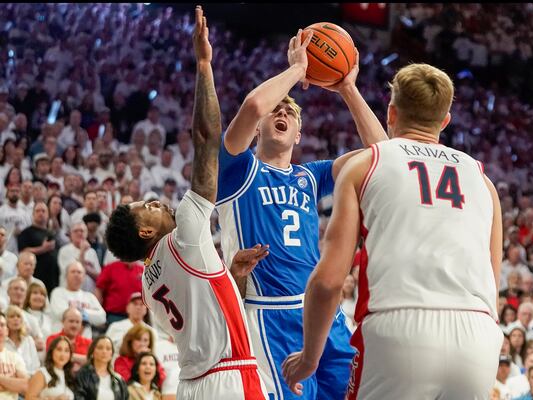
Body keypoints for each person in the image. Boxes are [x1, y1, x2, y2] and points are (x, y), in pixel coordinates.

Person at [281, 63, 503, 399]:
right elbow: (493, 279)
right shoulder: (484, 182)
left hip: (400, 329)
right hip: (478, 336)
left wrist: (310, 358)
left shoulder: (364, 166)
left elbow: (328, 280)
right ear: (444, 121)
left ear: (391, 112)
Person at [104, 6, 267, 399]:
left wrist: (233, 276)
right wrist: (204, 63)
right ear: (145, 231)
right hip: (231, 378)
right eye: (147, 206)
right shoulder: (186, 237)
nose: (156, 202)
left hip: (192, 386)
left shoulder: (148, 282)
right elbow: (207, 136)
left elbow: (203, 317)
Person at [217, 24, 386, 400]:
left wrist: (347, 88)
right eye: (275, 111)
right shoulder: (238, 170)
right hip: (269, 314)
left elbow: (385, 157)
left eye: (289, 114)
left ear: (298, 135)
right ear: (258, 129)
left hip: (323, 314)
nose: (280, 112)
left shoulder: (312, 176)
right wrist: (298, 70)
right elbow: (253, 106)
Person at [74, 335, 128, 400]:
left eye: (108, 349)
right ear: (92, 352)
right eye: (100, 348)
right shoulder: (83, 375)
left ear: (111, 354)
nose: (104, 351)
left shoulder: (119, 380)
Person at [114, 323, 165, 390]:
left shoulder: (151, 359)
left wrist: (147, 357)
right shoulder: (121, 361)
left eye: (146, 340)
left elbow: (160, 378)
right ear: (130, 341)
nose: (142, 344)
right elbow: (127, 382)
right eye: (138, 339)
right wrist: (140, 357)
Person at [25, 335, 75, 400]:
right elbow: (28, 398)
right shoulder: (42, 373)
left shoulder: (69, 376)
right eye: (59, 349)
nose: (63, 354)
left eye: (66, 350)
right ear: (51, 352)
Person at [0, 312, 29, 399]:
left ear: (7, 331)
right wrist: (13, 383)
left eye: (2, 325)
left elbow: (26, 386)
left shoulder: (15, 357)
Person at [5, 305, 39, 375]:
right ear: (6, 321)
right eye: (12, 316)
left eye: (18, 316)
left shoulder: (29, 340)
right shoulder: (2, 342)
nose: (16, 319)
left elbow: (36, 367)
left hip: (29, 380)